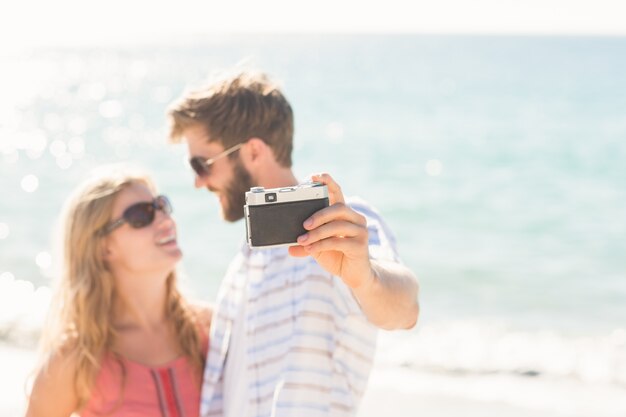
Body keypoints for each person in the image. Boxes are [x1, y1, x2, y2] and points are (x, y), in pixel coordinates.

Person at [167, 71, 420, 417]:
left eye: (202, 164)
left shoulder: (339, 226)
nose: (198, 182)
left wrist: (366, 277)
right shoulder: (243, 263)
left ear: (253, 152)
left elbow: (405, 310)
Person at [26, 167, 211, 417]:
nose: (166, 220)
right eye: (141, 216)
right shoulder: (77, 360)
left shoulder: (209, 329)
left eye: (161, 206)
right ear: (104, 248)